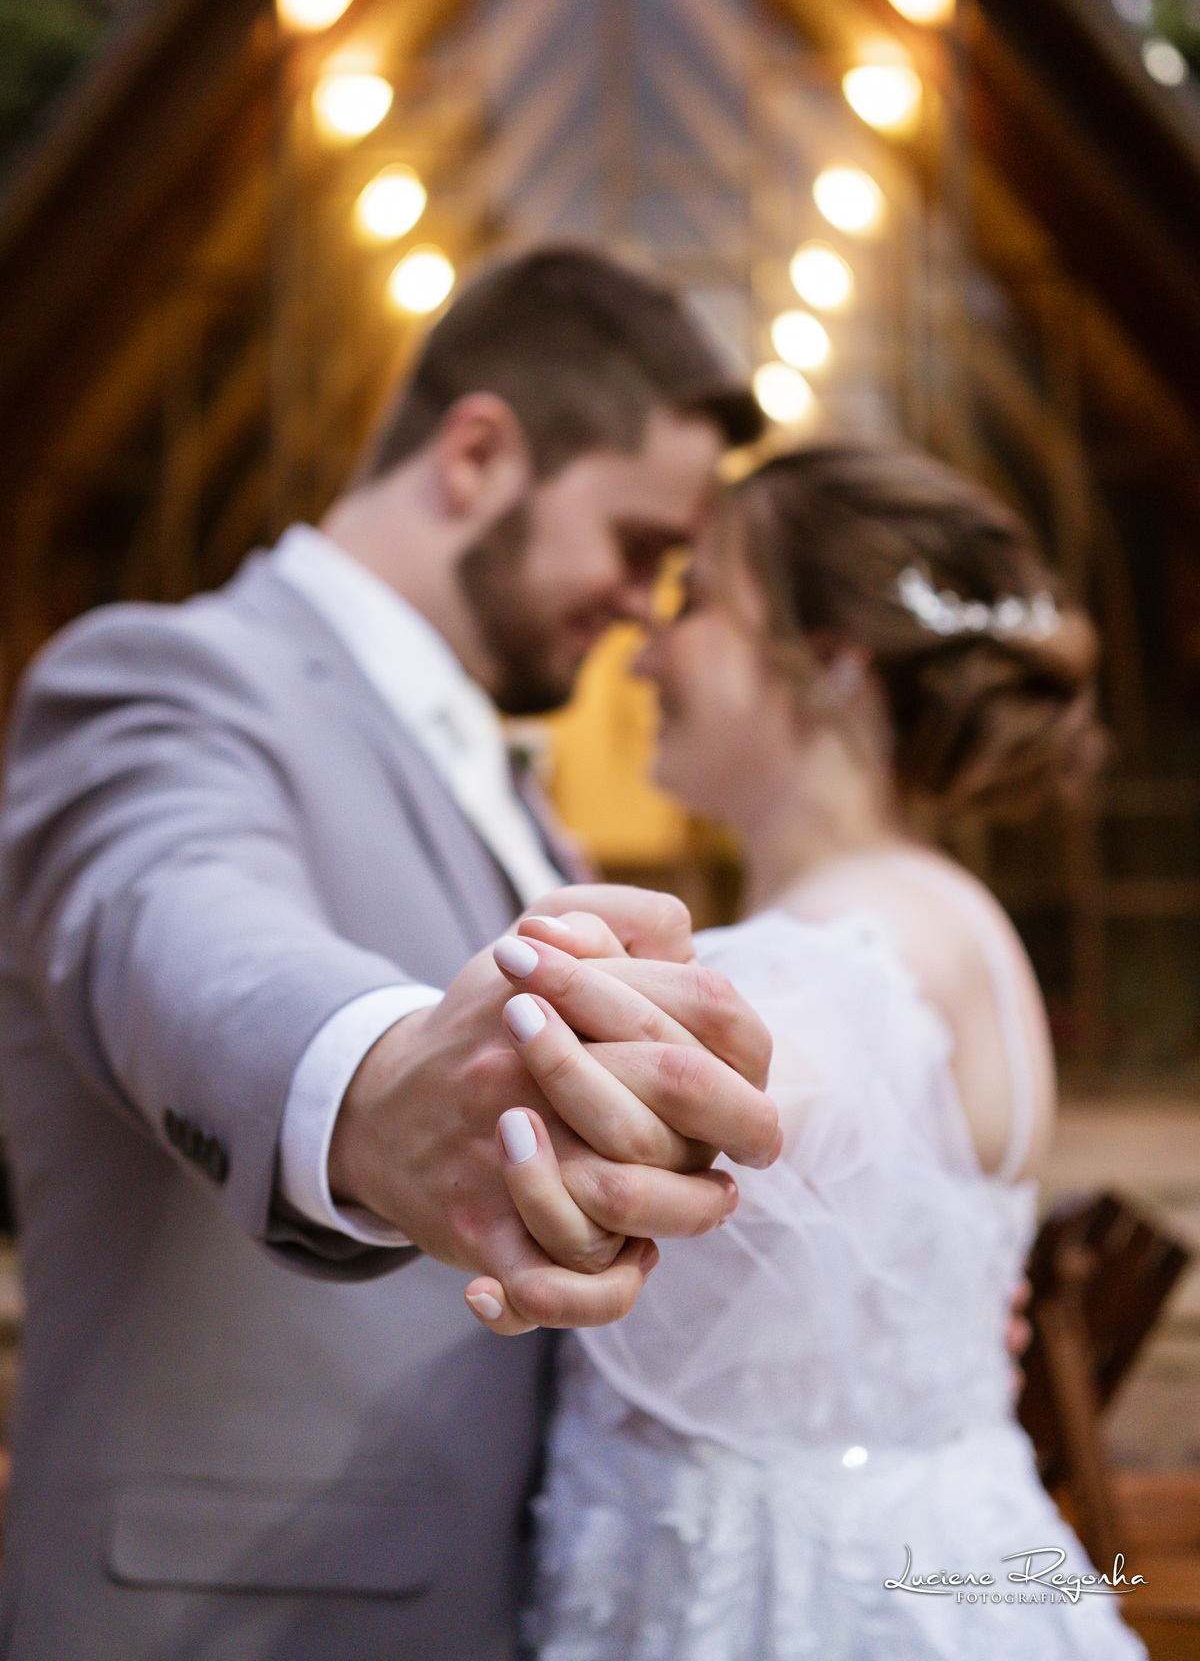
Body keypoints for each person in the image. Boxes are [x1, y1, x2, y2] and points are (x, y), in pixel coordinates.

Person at [0, 245, 782, 1660]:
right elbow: (172, 918)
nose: (642, 606)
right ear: (478, 454)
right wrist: (370, 1077)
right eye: (638, 545)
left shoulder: (524, 799)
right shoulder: (168, 677)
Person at [509, 443, 1147, 1657]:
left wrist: (649, 1069)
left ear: (836, 663)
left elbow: (791, 1067)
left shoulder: (851, 948)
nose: (646, 646)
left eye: (697, 602)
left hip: (794, 1606)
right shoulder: (950, 911)